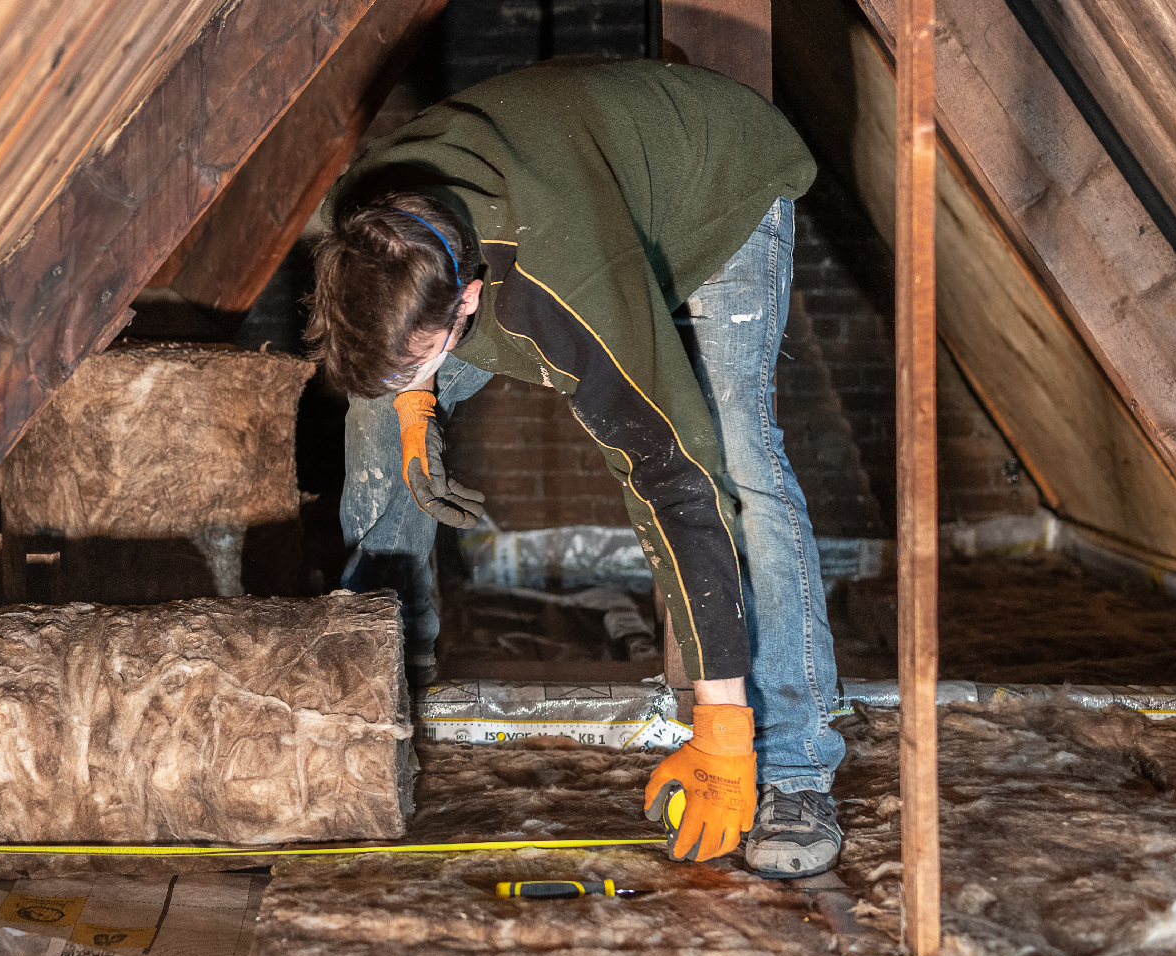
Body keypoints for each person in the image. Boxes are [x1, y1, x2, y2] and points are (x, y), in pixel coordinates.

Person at [305, 60, 846, 877]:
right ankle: (382, 685)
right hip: (580, 174)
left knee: (738, 467)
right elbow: (391, 353)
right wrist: (409, 400)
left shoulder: (564, 289)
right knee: (373, 416)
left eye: (421, 361)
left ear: (469, 303)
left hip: (714, 176)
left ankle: (792, 765)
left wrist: (720, 732)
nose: (412, 378)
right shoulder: (365, 228)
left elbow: (673, 479)